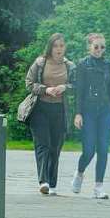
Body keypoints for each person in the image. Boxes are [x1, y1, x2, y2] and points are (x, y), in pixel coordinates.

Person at [72, 33, 110, 199]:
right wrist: (78, 113)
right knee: (89, 150)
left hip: (105, 111)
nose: (100, 50)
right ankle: (79, 172)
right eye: (96, 46)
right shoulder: (82, 65)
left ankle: (98, 187)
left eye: (102, 47)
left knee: (103, 149)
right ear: (89, 47)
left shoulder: (109, 65)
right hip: (88, 111)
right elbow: (79, 92)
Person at [25, 33, 74, 195]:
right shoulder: (40, 63)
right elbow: (29, 83)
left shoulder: (70, 66)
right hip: (39, 108)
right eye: (55, 46)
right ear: (50, 47)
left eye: (61, 46)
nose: (58, 49)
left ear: (64, 47)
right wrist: (46, 89)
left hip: (60, 110)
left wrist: (65, 87)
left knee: (55, 148)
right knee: (43, 145)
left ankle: (52, 184)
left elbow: (77, 85)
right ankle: (43, 181)